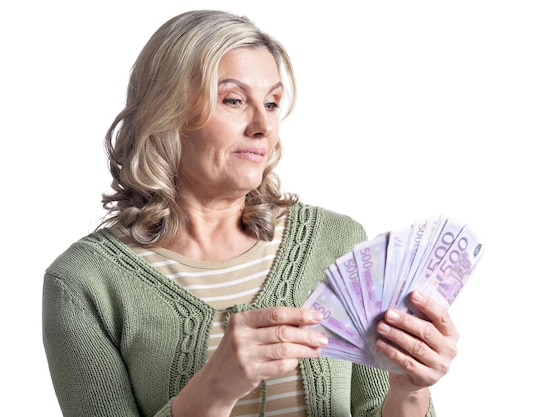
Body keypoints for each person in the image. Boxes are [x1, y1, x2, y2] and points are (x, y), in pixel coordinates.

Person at [42, 10, 459, 417]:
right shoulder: (83, 284)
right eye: (234, 100)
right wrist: (212, 391)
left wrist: (409, 392)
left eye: (273, 103)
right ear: (165, 111)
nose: (262, 125)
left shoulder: (338, 240)